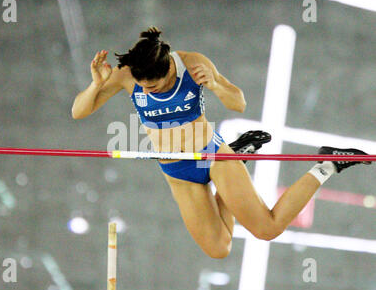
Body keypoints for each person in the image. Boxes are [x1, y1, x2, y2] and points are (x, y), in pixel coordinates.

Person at [72, 27, 370, 259]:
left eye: (156, 86)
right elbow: (79, 111)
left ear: (169, 70)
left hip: (213, 156)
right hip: (176, 170)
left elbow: (238, 102)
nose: (148, 90)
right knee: (219, 249)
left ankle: (327, 164)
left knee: (267, 229)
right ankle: (241, 155)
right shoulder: (128, 75)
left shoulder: (192, 63)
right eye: (144, 87)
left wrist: (214, 84)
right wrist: (96, 86)